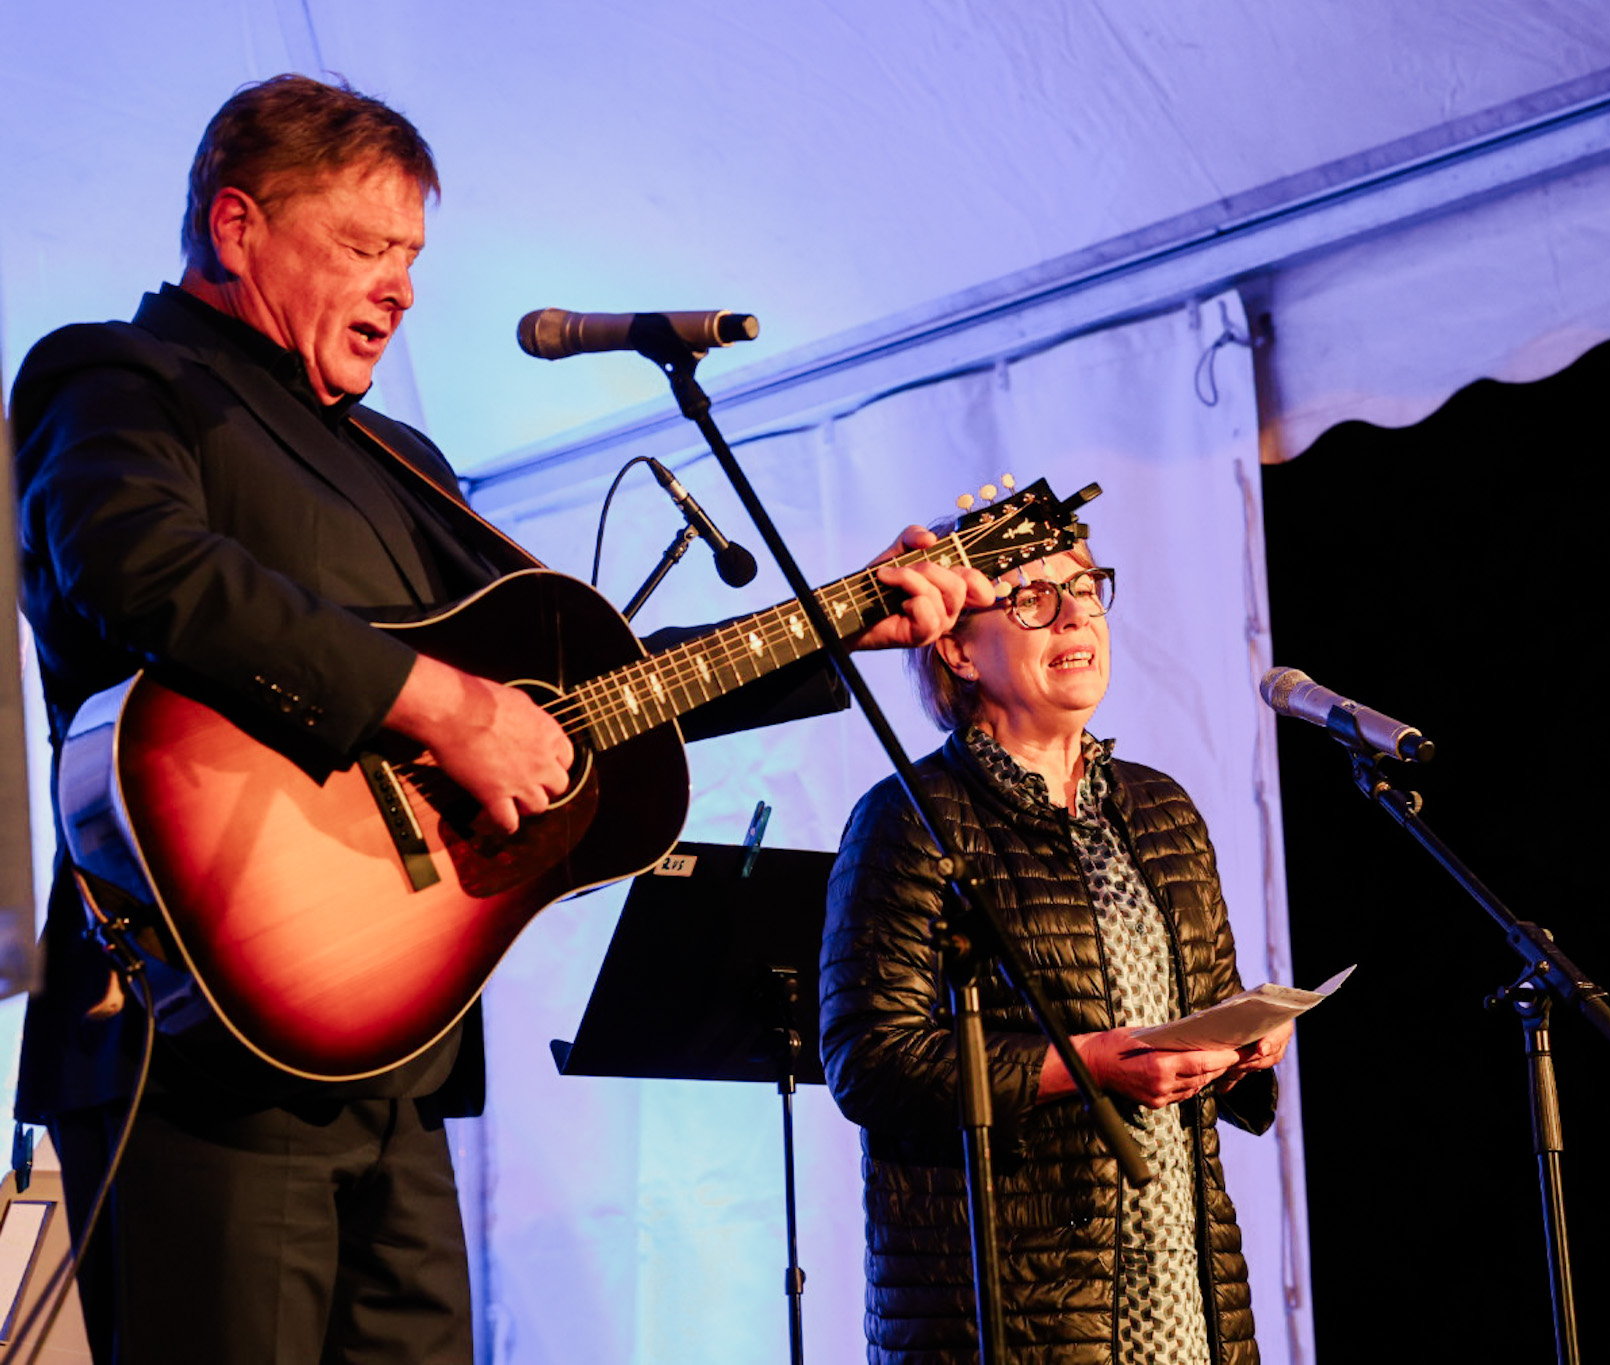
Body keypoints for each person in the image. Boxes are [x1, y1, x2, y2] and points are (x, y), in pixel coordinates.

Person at [9, 74, 989, 1365]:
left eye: (411, 256)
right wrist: (438, 704)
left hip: (395, 1045)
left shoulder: (400, 459)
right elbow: (139, 567)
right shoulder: (118, 375)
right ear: (237, 227)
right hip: (198, 1028)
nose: (403, 288)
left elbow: (588, 701)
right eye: (364, 247)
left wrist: (837, 625)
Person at [820, 543, 1292, 1365]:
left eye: (1085, 588)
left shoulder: (1163, 807)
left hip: (1186, 1294)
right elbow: (871, 1061)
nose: (1076, 615)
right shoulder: (908, 816)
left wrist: (1246, 1039)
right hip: (1013, 1309)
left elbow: (1208, 1000)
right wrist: (1091, 1063)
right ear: (959, 650)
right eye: (1034, 597)